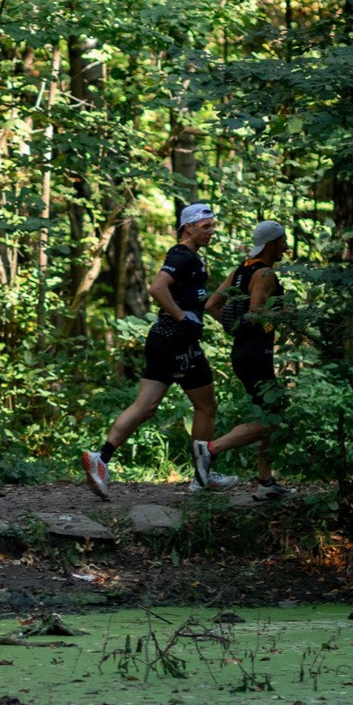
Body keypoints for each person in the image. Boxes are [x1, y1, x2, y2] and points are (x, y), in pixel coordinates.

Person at [82, 203, 238, 500]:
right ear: (187, 227)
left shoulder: (189, 256)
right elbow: (157, 288)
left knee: (145, 406)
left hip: (161, 340)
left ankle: (100, 459)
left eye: (213, 225)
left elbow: (195, 298)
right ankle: (203, 477)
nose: (211, 231)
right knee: (206, 407)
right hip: (178, 342)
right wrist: (182, 318)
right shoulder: (182, 255)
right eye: (205, 226)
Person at [202, 220, 294, 499]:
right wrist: (289, 313)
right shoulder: (265, 273)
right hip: (256, 354)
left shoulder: (241, 270)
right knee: (274, 418)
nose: (286, 247)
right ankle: (210, 450)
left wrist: (233, 329)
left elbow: (210, 305)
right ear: (271, 244)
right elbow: (257, 311)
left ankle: (265, 483)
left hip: (244, 352)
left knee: (271, 413)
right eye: (283, 242)